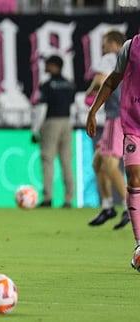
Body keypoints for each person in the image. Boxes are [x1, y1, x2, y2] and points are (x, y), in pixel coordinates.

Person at [86, 33, 140, 271]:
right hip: (133, 124)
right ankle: (139, 243)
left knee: (105, 164)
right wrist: (93, 109)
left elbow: (103, 78)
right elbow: (111, 80)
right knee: (131, 174)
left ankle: (111, 206)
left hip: (120, 120)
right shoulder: (130, 47)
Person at [85, 30, 130, 229]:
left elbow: (101, 80)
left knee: (110, 165)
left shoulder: (111, 57)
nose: (103, 47)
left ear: (113, 43)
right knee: (98, 162)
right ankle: (108, 206)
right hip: (129, 114)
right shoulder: (132, 57)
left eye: (105, 43)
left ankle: (130, 209)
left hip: (116, 116)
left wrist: (89, 93)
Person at [32, 55, 75, 208]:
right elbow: (72, 105)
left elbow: (41, 108)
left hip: (51, 122)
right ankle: (69, 199)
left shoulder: (47, 85)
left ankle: (48, 198)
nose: (46, 67)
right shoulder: (69, 84)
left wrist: (35, 130)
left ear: (55, 66)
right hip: (67, 122)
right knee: (66, 162)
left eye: (48, 64)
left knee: (47, 160)